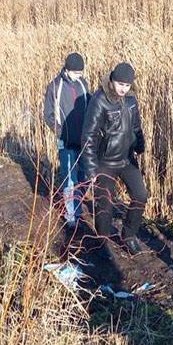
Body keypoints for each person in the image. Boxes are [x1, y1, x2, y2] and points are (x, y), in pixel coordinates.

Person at [79, 61, 147, 255]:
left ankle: (129, 236)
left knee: (141, 195)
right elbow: (88, 135)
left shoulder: (131, 99)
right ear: (112, 81)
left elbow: (136, 126)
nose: (123, 89)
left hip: (126, 159)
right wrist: (91, 168)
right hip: (105, 162)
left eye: (126, 85)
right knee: (105, 203)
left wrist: (140, 143)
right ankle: (103, 240)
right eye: (120, 84)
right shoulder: (100, 100)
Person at [42, 52, 90, 230]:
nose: (80, 76)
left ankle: (77, 204)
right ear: (68, 70)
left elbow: (89, 106)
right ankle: (72, 217)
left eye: (81, 73)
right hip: (66, 140)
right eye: (77, 73)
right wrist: (62, 133)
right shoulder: (55, 86)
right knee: (70, 178)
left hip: (84, 140)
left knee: (84, 176)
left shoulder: (83, 84)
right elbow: (48, 115)